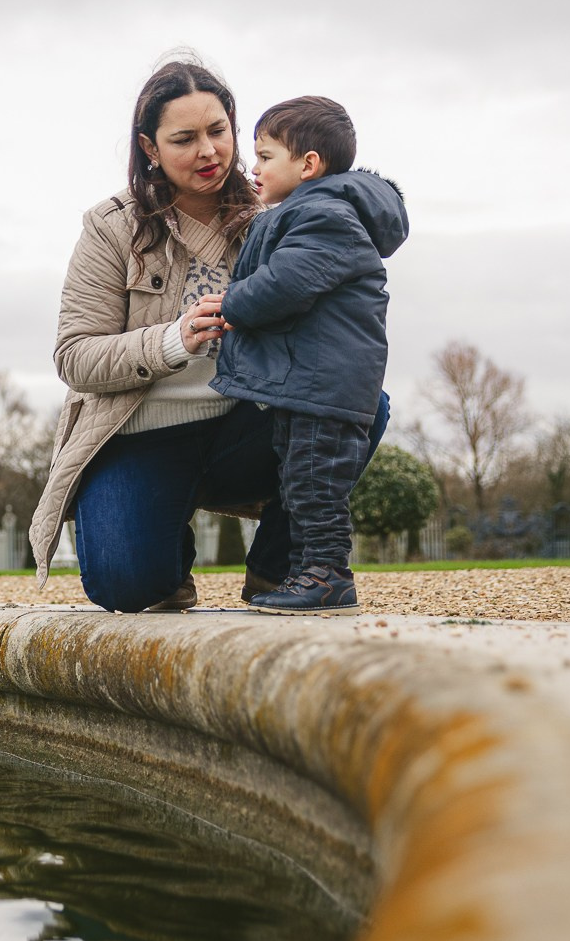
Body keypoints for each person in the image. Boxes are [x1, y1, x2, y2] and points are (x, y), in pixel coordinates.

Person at [27, 55, 389, 611]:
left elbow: (346, 219)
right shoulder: (111, 227)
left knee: (360, 403)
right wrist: (174, 339)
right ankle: (165, 535)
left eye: (219, 131)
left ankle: (280, 566)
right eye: (184, 139)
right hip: (140, 435)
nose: (208, 152)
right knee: (126, 587)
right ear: (149, 147)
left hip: (243, 425)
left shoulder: (277, 210)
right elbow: (76, 357)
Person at [201, 97, 408, 614]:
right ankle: (304, 572)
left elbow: (287, 283)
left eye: (265, 156)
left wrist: (232, 304)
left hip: (324, 386)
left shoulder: (324, 215)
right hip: (308, 384)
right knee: (298, 480)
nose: (254, 167)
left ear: (308, 164)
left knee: (316, 485)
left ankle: (328, 575)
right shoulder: (312, 210)